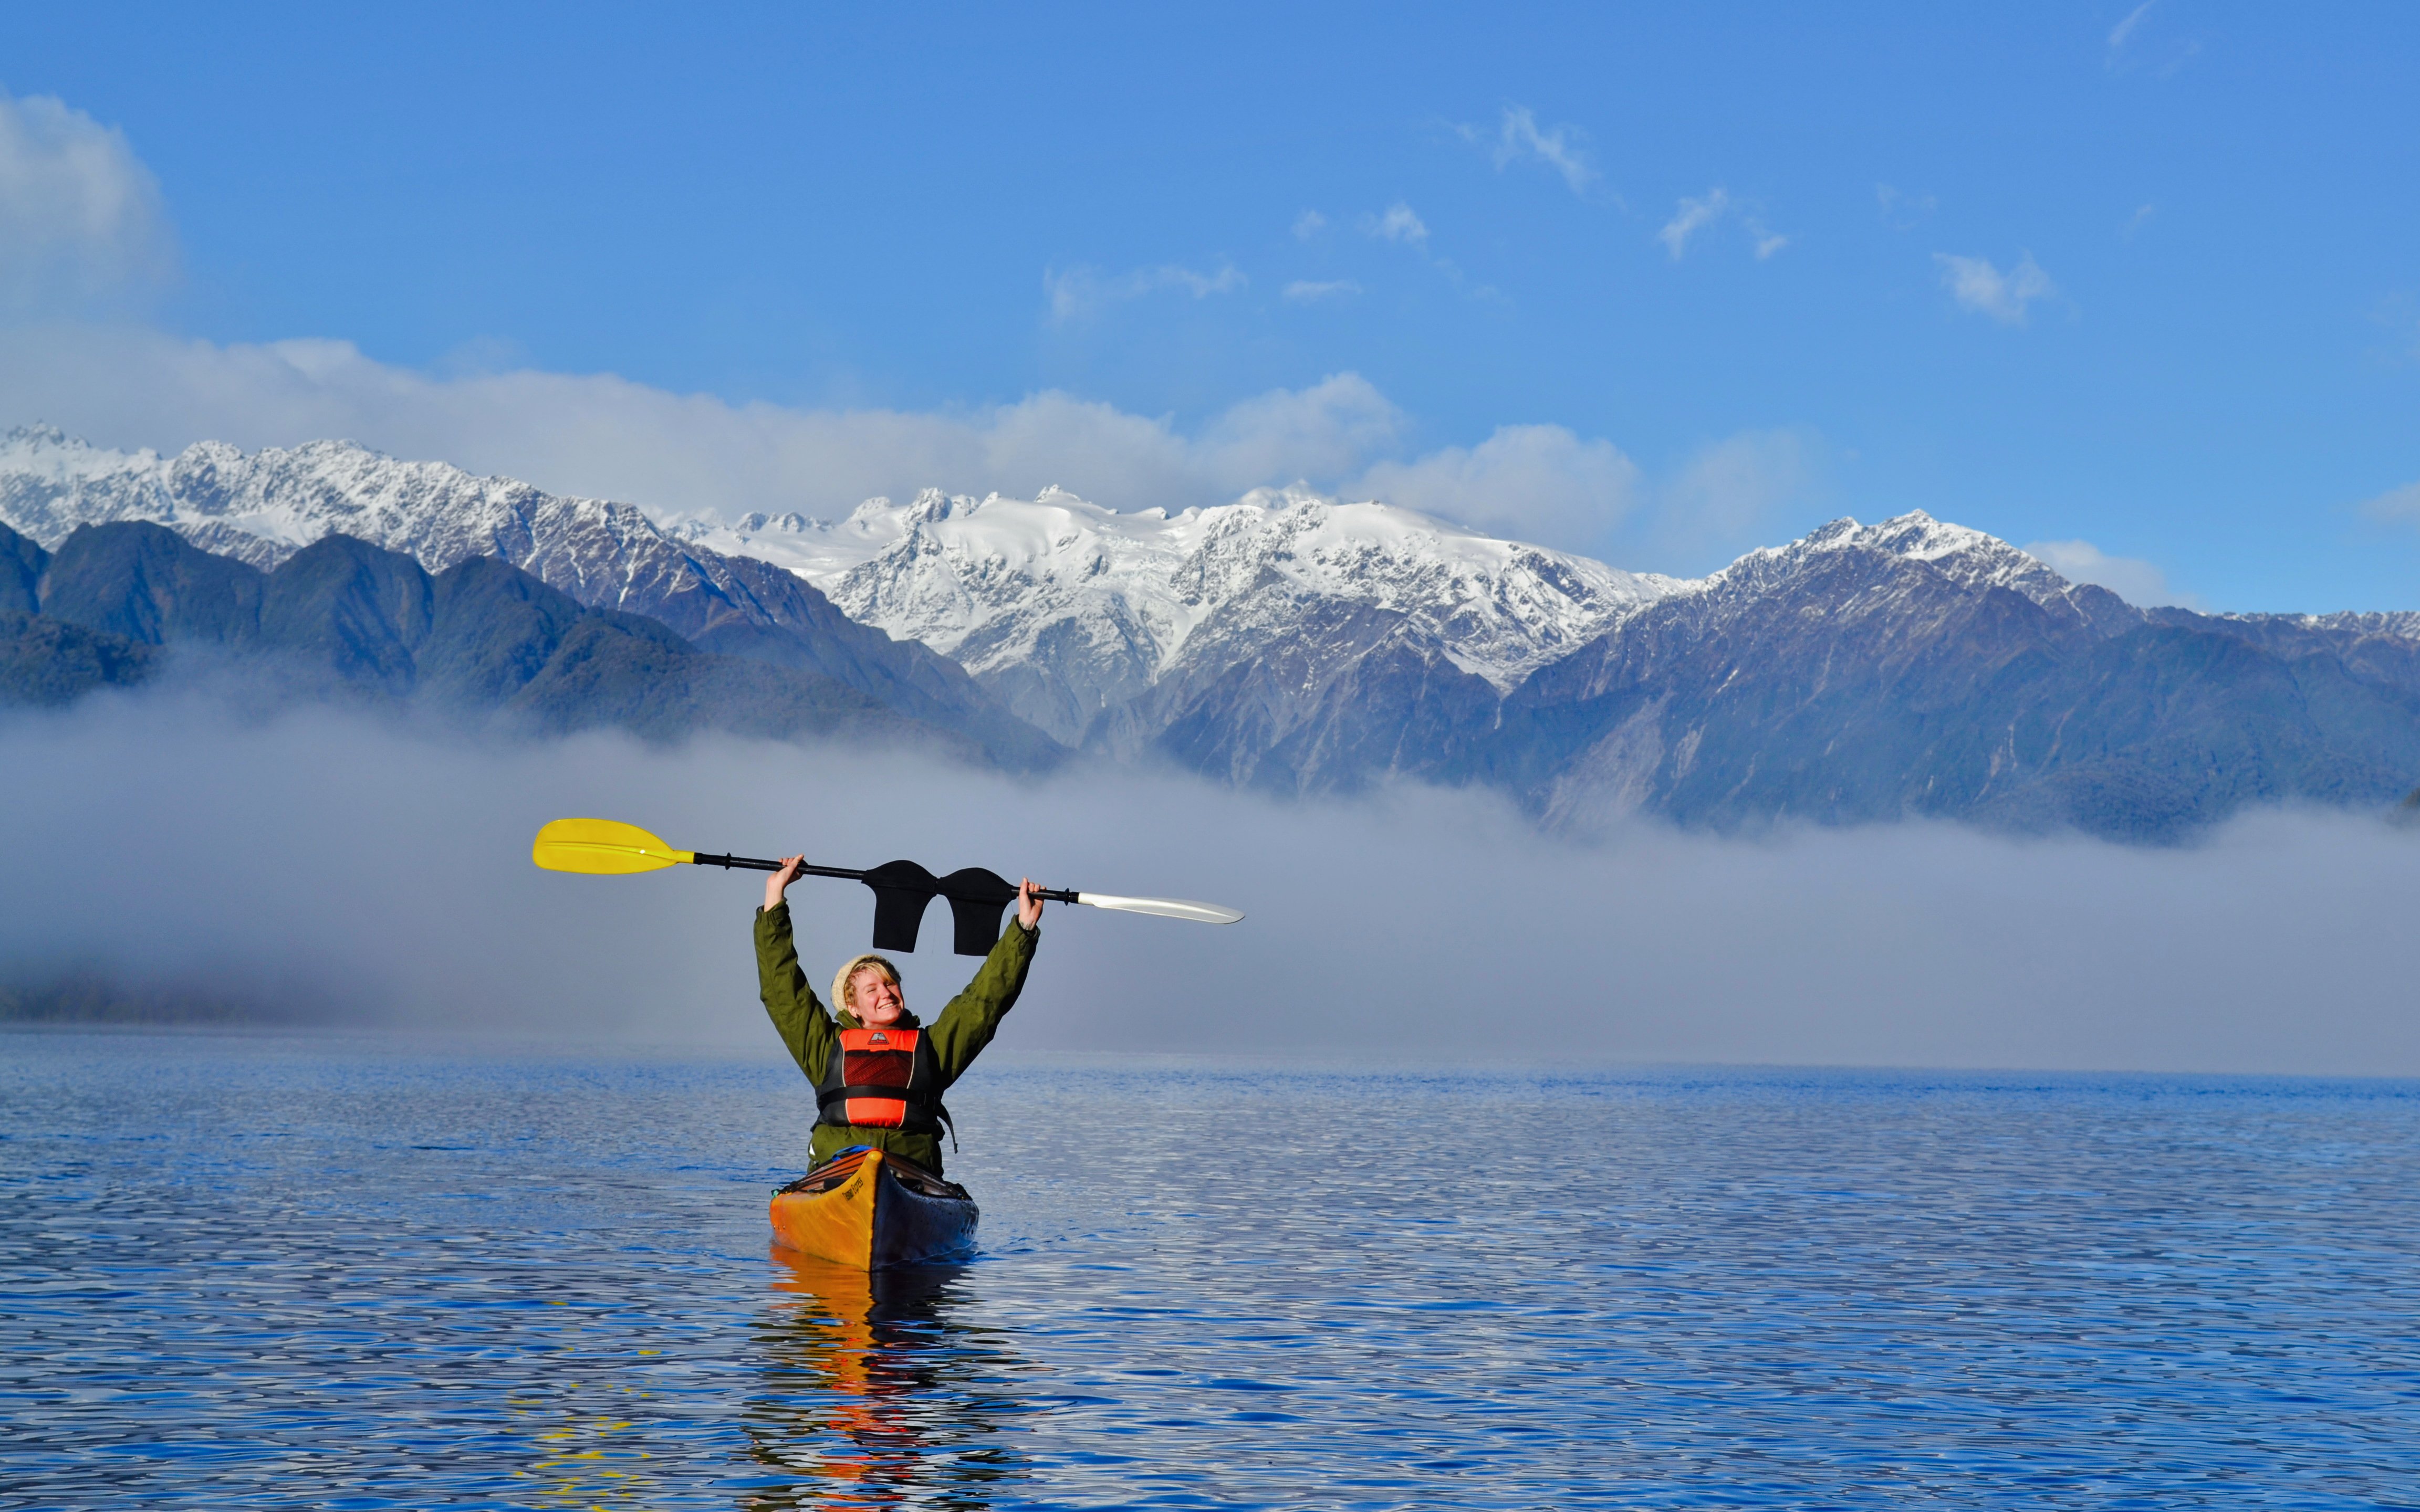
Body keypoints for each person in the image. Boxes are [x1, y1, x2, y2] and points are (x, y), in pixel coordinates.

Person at [755, 856, 1044, 1177]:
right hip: (838, 1174)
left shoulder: (931, 1049)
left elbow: (985, 1002)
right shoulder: (826, 1048)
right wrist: (774, 895)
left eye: (890, 983)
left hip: (912, 1176)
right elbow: (783, 992)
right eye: (872, 990)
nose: (886, 993)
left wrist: (1023, 928)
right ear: (852, 1007)